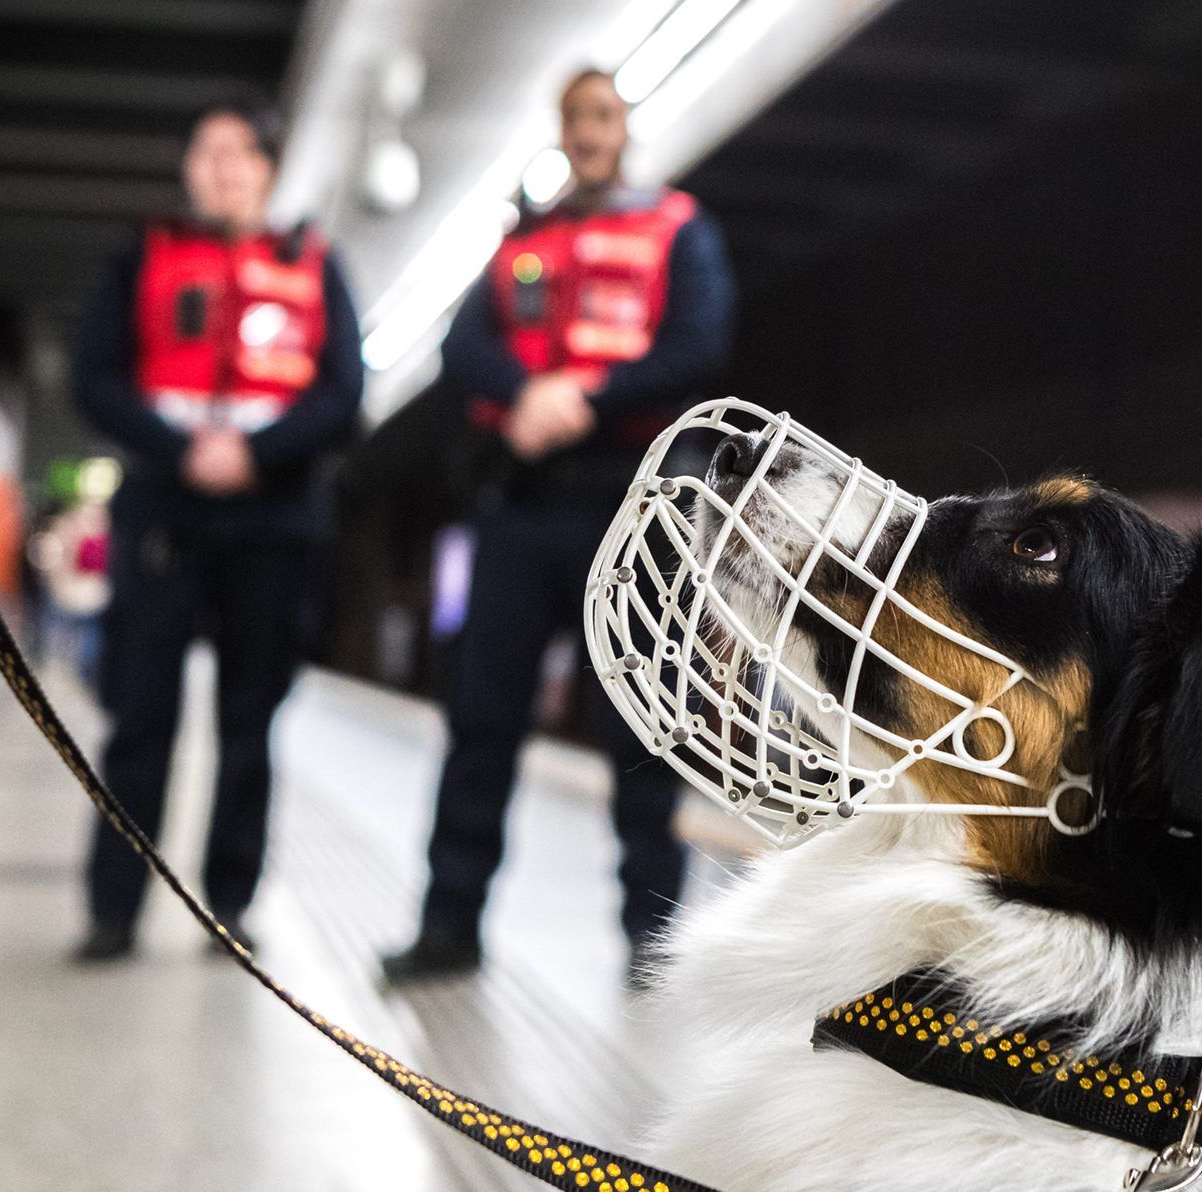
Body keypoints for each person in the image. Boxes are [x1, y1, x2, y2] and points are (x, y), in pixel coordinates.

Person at [381, 68, 736, 984]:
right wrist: (527, 394)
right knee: (481, 719)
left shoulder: (677, 229)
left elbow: (699, 342)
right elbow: (465, 348)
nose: (589, 132)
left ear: (625, 129)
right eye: (576, 118)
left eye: (604, 117)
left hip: (633, 504)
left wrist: (587, 396)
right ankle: (448, 925)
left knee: (640, 728)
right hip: (522, 503)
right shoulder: (521, 244)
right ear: (560, 131)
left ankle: (653, 946)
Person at [70, 98, 364, 961]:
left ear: (270, 170)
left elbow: (345, 394)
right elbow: (95, 378)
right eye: (207, 153)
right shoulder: (145, 261)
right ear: (188, 169)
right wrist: (180, 447)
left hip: (275, 520)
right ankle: (112, 910)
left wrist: (258, 453)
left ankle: (229, 908)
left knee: (250, 724)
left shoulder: (316, 268)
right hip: (165, 512)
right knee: (138, 718)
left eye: (241, 153)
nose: (223, 168)